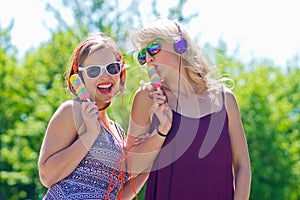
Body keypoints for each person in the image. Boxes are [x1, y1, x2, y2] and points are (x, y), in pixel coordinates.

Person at [126, 18, 251, 199]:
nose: (148, 58)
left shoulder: (225, 100)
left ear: (180, 46)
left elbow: (243, 166)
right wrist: (161, 130)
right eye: (142, 55)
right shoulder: (147, 98)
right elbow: (131, 166)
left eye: (153, 48)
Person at [38, 32, 148, 199]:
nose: (105, 76)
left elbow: (117, 196)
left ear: (121, 72)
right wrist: (89, 135)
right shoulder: (72, 111)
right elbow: (47, 176)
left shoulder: (118, 132)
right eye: (94, 71)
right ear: (79, 78)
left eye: (112, 68)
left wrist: (150, 159)